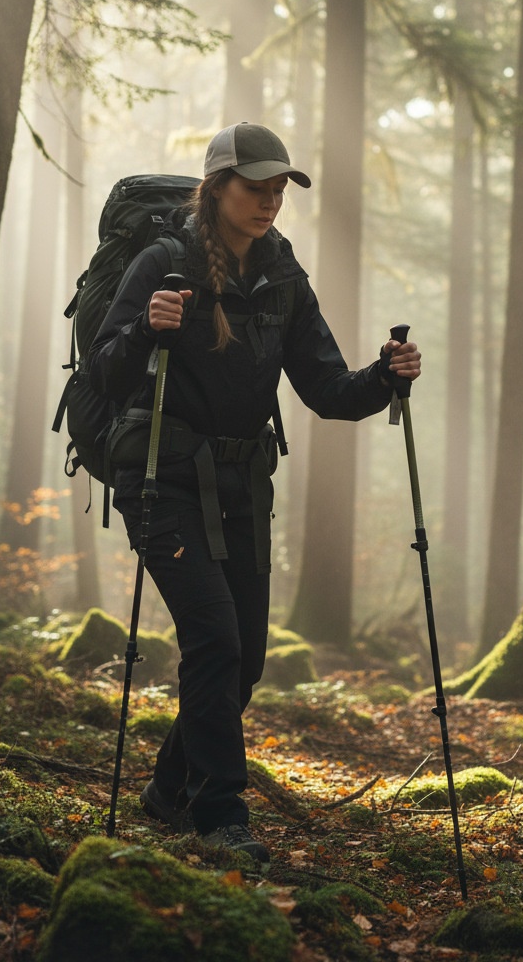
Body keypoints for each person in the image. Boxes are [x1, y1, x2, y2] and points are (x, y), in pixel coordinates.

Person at [88, 122, 421, 862]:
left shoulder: (280, 274)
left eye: (280, 187)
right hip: (162, 480)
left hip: (243, 484)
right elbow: (104, 370)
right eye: (256, 185)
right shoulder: (163, 263)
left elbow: (328, 389)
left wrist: (384, 375)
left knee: (246, 661)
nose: (270, 199)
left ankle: (168, 791)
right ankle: (222, 819)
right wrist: (146, 327)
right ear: (216, 187)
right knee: (214, 638)